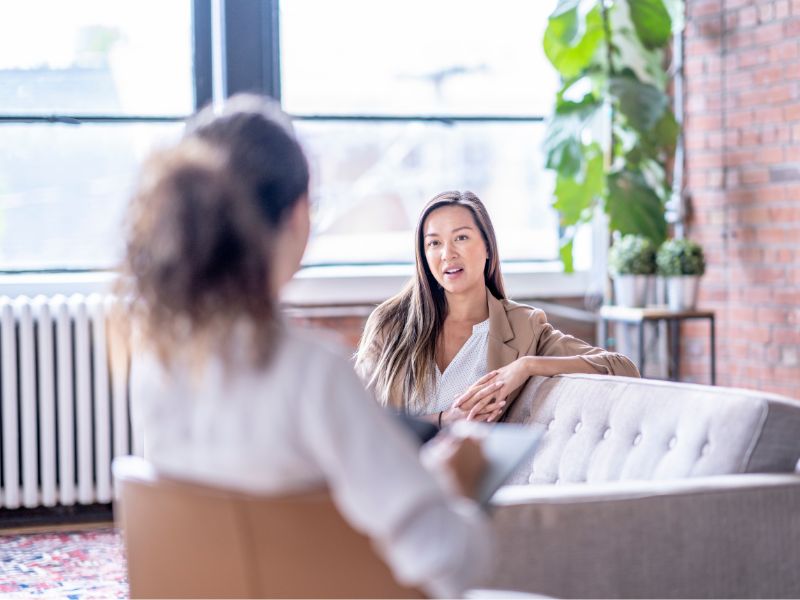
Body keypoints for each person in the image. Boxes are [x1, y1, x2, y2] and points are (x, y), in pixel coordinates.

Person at [118, 95, 491, 598]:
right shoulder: (312, 371)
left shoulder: (156, 361)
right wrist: (452, 488)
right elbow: (449, 562)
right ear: (297, 214)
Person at [355, 191, 640, 426]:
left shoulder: (523, 326)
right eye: (434, 243)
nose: (447, 253)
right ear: (424, 254)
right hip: (396, 479)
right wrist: (443, 420)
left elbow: (623, 368)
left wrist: (527, 365)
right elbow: (354, 416)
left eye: (461, 238)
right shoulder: (390, 323)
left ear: (488, 246)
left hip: (475, 484)